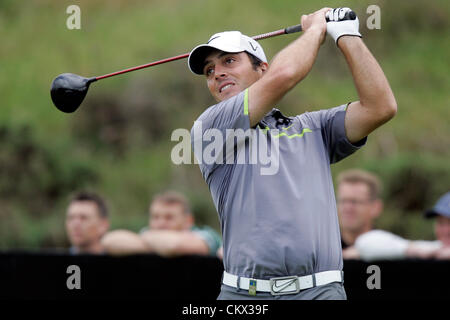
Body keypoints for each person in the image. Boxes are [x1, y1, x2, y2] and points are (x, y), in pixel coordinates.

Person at [188, 7, 397, 300]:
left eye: (229, 61)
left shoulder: (313, 127)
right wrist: (315, 30)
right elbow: (285, 74)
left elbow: (380, 107)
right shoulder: (211, 127)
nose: (217, 72)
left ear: (261, 67)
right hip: (245, 296)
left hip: (321, 292)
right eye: (209, 71)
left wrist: (346, 35)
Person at [101, 191, 222, 257]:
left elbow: (175, 246)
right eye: (155, 217)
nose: (160, 223)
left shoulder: (206, 235)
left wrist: (148, 239)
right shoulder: (150, 236)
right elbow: (109, 241)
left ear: (188, 221)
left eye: (169, 217)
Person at [351, 191, 450, 261]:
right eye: (441, 223)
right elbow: (365, 242)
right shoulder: (435, 249)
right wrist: (412, 250)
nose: (446, 230)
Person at [336, 169, 384, 259]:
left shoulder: (388, 250)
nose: (347, 208)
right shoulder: (325, 254)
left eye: (354, 202)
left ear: (376, 207)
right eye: (343, 201)